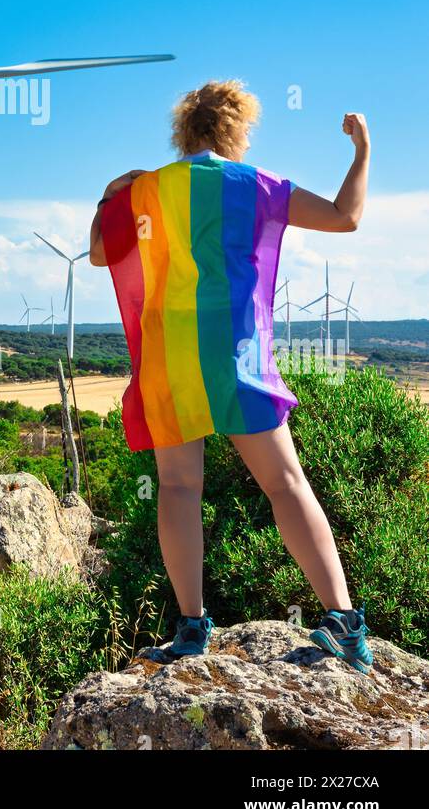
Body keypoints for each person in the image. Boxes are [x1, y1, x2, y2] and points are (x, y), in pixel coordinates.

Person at [89, 80, 372, 673]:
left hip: (171, 357)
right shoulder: (258, 184)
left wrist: (109, 196)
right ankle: (344, 623)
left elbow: (98, 253)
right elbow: (347, 218)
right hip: (240, 354)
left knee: (177, 489)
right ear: (237, 128)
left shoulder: (145, 189)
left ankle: (191, 628)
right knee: (285, 484)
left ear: (182, 129)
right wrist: (361, 153)